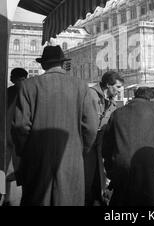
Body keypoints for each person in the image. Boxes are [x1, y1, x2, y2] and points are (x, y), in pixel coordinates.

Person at [11, 45, 98, 206]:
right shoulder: (80, 86)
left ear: (43, 65)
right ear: (62, 63)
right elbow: (91, 127)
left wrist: (26, 152)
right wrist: (80, 149)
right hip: (71, 157)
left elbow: (20, 127)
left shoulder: (28, 86)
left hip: (36, 158)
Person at [84, 70, 124, 206]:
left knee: (99, 175)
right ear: (108, 85)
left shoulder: (113, 103)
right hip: (86, 142)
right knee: (88, 175)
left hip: (100, 143)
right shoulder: (90, 95)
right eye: (118, 87)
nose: (120, 90)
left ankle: (97, 199)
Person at [3, 68, 28, 206]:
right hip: (15, 140)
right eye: (19, 80)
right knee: (16, 171)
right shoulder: (25, 93)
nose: (20, 83)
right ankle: (7, 198)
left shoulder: (7, 93)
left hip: (12, 140)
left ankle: (5, 198)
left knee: (5, 172)